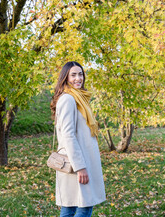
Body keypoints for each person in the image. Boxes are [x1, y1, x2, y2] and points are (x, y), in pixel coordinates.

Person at [50, 61, 106, 217]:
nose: (78, 78)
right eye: (73, 75)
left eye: (80, 74)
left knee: (70, 206)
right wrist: (80, 167)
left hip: (79, 159)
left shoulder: (79, 99)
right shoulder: (69, 99)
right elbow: (68, 135)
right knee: (85, 206)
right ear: (65, 77)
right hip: (77, 163)